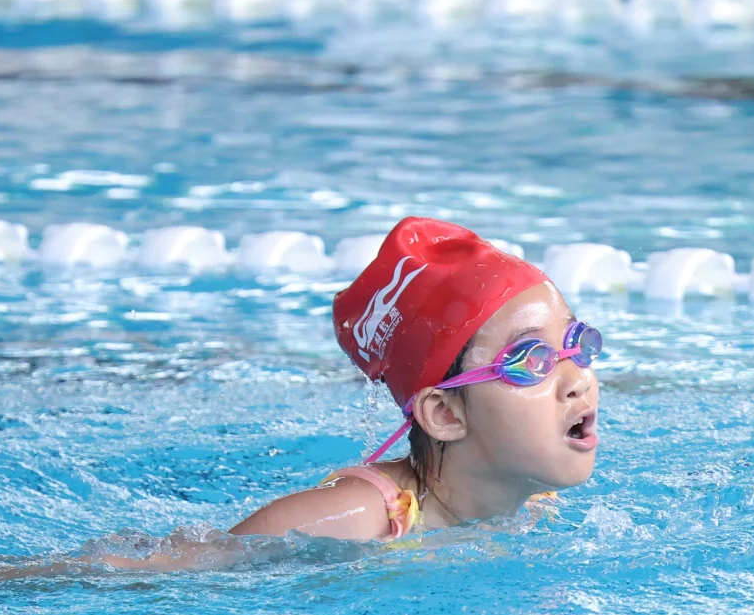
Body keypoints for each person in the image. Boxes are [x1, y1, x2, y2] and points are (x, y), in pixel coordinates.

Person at [228, 215, 601, 541]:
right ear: (445, 414)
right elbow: (185, 568)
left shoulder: (534, 499)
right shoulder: (354, 517)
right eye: (529, 359)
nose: (579, 380)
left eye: (577, 343)